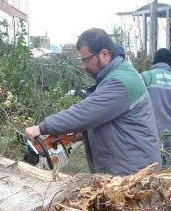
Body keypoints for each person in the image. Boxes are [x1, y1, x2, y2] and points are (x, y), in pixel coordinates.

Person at [25, 28, 160, 176]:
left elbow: (84, 112)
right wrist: (85, 132)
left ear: (104, 54)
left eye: (86, 60)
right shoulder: (116, 76)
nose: (82, 66)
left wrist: (42, 128)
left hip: (133, 176)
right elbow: (109, 119)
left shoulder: (121, 82)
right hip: (126, 172)